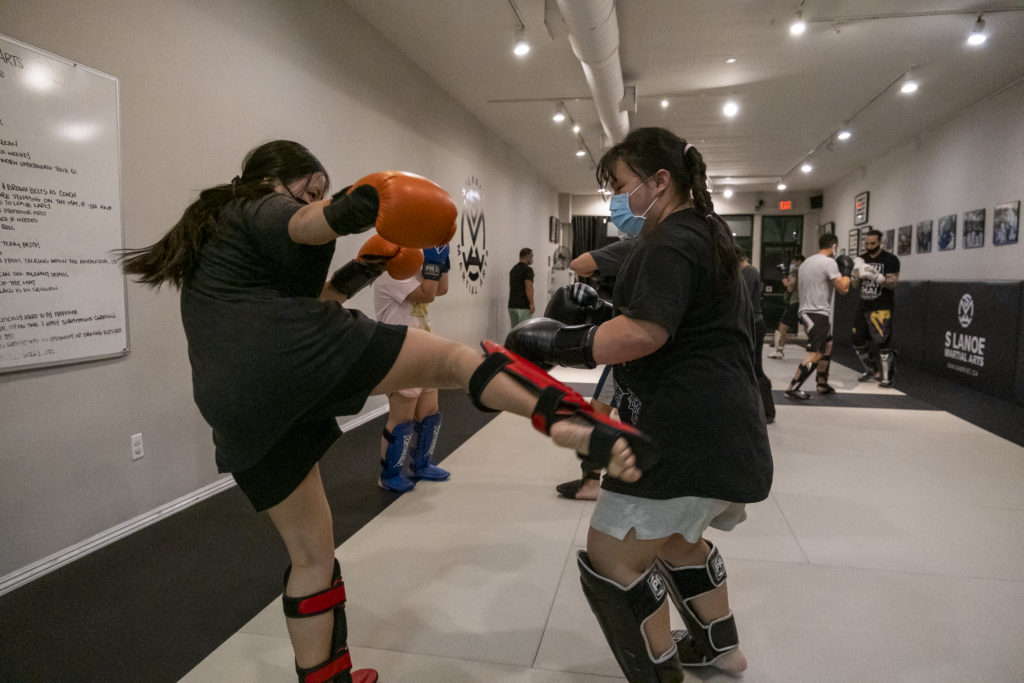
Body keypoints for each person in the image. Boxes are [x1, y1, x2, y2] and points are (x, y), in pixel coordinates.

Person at [117, 140, 643, 683]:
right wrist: (361, 201)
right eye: (312, 188)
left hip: (234, 404)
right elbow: (303, 224)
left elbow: (316, 300)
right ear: (279, 179)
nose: (313, 199)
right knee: (456, 362)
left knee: (311, 556)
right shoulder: (257, 204)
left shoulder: (218, 237)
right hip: (285, 352)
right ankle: (570, 419)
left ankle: (327, 678)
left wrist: (368, 265)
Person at [505, 128, 773, 681]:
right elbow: (684, 317)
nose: (617, 199)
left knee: (612, 556)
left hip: (682, 431)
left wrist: (559, 342)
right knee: (678, 541)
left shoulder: (673, 238)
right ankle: (722, 650)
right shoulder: (706, 230)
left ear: (659, 181)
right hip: (719, 426)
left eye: (623, 185)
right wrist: (604, 305)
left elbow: (647, 332)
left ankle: (660, 675)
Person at [553, 237, 637, 501]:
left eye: (621, 193)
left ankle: (592, 481)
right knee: (630, 412)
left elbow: (581, 264)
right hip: (653, 348)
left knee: (599, 412)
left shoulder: (642, 243)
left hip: (632, 347)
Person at [372, 244, 453, 492]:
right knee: (402, 416)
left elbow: (441, 289)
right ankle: (389, 474)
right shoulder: (391, 275)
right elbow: (427, 294)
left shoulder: (410, 271)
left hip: (423, 348)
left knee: (430, 411)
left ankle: (422, 465)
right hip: (400, 353)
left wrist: (443, 261)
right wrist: (432, 263)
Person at [784, 234, 852, 400]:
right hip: (816, 313)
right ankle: (792, 388)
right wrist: (846, 271)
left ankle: (822, 383)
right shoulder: (829, 262)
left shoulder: (807, 262)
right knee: (816, 353)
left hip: (809, 310)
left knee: (827, 345)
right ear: (834, 246)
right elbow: (843, 288)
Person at [850, 229, 901, 387]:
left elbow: (893, 283)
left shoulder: (890, 259)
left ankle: (887, 375)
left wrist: (877, 276)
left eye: (872, 243)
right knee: (857, 338)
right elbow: (854, 285)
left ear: (880, 242)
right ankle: (872, 369)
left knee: (882, 341)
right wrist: (857, 275)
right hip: (864, 303)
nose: (869, 246)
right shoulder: (861, 259)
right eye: (866, 243)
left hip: (881, 305)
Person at [737, 248, 775, 424]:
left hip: (754, 325)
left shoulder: (748, 272)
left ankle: (767, 410)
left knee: (755, 368)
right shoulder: (748, 272)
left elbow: (742, 300)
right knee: (751, 367)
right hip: (752, 324)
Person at [767, 254, 804, 359]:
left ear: (797, 261)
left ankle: (779, 350)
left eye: (792, 262)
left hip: (795, 302)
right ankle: (817, 346)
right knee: (808, 327)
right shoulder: (806, 271)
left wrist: (783, 273)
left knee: (782, 327)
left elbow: (789, 286)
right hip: (803, 302)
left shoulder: (796, 271)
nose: (791, 264)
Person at [508, 247, 534, 326]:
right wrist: (531, 303)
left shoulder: (513, 269)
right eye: (532, 256)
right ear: (528, 256)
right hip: (523, 306)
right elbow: (528, 286)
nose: (532, 259)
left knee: (514, 331)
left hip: (512, 306)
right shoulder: (528, 270)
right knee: (525, 330)